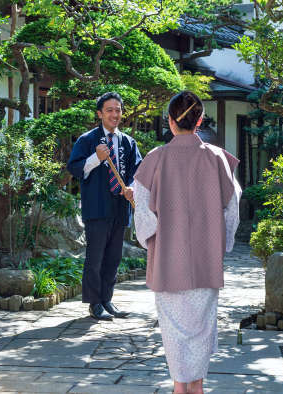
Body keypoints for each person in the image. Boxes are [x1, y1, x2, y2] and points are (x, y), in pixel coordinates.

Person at [133, 91, 241, 394]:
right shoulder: (218, 158)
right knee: (202, 327)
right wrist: (223, 243)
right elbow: (232, 209)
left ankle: (181, 388)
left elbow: (144, 217)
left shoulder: (154, 159)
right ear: (200, 121)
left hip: (168, 261)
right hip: (205, 259)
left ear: (170, 121)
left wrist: (148, 240)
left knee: (175, 333)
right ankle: (195, 388)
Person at [67, 92, 142, 321]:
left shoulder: (128, 142)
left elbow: (138, 172)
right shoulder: (87, 140)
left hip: (120, 206)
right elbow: (75, 168)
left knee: (114, 256)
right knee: (95, 256)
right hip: (97, 206)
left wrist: (131, 188)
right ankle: (94, 303)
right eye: (109, 110)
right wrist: (96, 158)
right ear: (100, 113)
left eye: (118, 109)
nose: (115, 114)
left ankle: (107, 299)